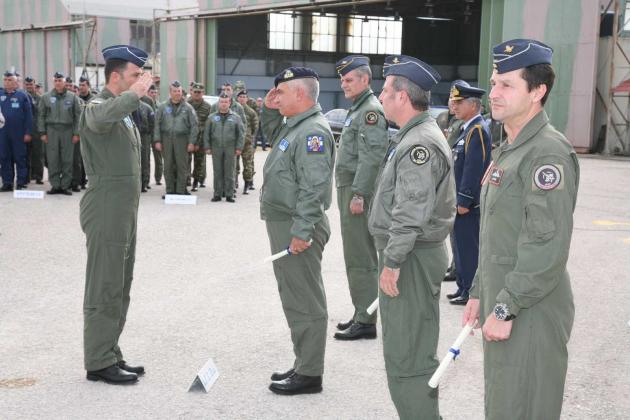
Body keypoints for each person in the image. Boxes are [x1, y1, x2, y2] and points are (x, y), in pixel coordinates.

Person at [462, 39, 579, 420]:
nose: (494, 93)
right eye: (494, 83)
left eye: (507, 85)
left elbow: (546, 244)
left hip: (530, 307)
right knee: (503, 402)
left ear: (537, 92)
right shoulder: (510, 149)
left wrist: (505, 306)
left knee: (523, 407)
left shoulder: (547, 153)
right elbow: (497, 235)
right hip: (506, 297)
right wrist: (479, 291)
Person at [369, 55, 455, 419]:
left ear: (402, 96)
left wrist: (393, 261)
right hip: (411, 254)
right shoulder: (413, 136)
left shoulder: (419, 144)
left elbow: (410, 210)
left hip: (410, 258)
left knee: (409, 355)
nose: (380, 96)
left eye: (386, 90)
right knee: (405, 348)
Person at [79, 44, 153, 384]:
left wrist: (133, 97)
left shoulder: (122, 110)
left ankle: (110, 351)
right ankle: (98, 361)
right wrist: (134, 94)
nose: (142, 81)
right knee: (104, 284)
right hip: (106, 207)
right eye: (135, 75)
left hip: (123, 209)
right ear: (115, 77)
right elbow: (98, 119)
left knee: (121, 283)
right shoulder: (97, 107)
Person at [261, 67, 335, 395]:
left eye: (282, 92)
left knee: (304, 299)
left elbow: (313, 188)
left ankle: (309, 373)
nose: (277, 97)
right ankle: (304, 361)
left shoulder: (312, 132)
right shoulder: (296, 125)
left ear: (301, 95)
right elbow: (273, 138)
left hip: (297, 225)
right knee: (294, 296)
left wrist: (302, 231)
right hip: (288, 223)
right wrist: (269, 109)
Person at [332, 55, 388, 340]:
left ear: (365, 79)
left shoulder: (370, 111)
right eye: (342, 80)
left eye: (349, 79)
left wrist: (359, 194)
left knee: (361, 256)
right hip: (350, 187)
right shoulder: (358, 108)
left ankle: (366, 320)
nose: (344, 84)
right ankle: (360, 312)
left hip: (357, 190)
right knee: (354, 254)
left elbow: (372, 156)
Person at [446, 82, 492, 306]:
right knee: (460, 246)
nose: (454, 106)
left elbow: (474, 168)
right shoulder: (467, 129)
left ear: (473, 106)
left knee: (468, 248)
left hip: (468, 204)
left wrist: (465, 198)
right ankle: (463, 286)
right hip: (458, 200)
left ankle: (470, 290)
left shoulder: (477, 130)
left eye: (459, 102)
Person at [38, 71, 82, 195]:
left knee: (67, 159)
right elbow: (41, 115)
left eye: (60, 81)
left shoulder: (72, 97)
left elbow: (78, 117)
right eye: (56, 81)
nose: (58, 83)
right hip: (51, 130)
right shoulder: (46, 97)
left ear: (64, 82)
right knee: (53, 159)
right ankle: (55, 185)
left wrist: (76, 133)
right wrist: (42, 132)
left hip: (67, 130)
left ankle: (65, 186)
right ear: (53, 82)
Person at [153, 80, 198, 196]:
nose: (177, 93)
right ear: (170, 92)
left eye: (179, 91)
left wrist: (192, 142)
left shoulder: (188, 108)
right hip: (166, 139)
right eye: (175, 91)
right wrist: (157, 140)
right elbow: (157, 124)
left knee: (182, 166)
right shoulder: (162, 107)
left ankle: (180, 190)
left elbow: (194, 126)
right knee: (168, 166)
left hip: (182, 140)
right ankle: (170, 190)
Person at [203, 93, 244, 203]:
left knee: (230, 171)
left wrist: (239, 147)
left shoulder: (236, 117)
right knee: (217, 171)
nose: (223, 104)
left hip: (230, 147)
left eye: (226, 102)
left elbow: (241, 134)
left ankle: (229, 194)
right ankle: (217, 194)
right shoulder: (211, 117)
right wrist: (207, 147)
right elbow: (206, 133)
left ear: (229, 103)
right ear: (218, 103)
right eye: (221, 102)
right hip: (216, 147)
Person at [0, 71, 33, 191]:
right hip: (3, 133)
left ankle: (21, 182)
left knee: (20, 157)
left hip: (19, 133)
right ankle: (7, 182)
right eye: (5, 80)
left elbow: (29, 116)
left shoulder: (22, 96)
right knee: (4, 157)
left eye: (10, 80)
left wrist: (28, 132)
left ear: (15, 82)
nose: (7, 82)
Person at [187, 82, 212, 191]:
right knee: (186, 161)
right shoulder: (186, 104)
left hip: (201, 139)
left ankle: (196, 182)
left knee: (199, 162)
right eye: (195, 92)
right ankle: (186, 180)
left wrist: (206, 142)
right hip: (188, 139)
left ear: (203, 93)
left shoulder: (207, 107)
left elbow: (209, 125)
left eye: (199, 92)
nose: (197, 94)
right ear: (191, 92)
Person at [235, 89, 258, 194]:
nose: (242, 99)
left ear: (247, 99)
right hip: (235, 142)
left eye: (244, 97)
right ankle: (234, 182)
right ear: (237, 98)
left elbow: (255, 127)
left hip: (247, 143)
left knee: (247, 164)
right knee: (234, 164)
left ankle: (247, 184)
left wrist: (249, 136)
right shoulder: (233, 110)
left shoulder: (251, 112)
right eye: (240, 97)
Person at [24, 76, 45, 185]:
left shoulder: (40, 99)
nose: (29, 86)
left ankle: (38, 176)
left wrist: (43, 131)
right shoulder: (22, 97)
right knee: (25, 154)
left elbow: (43, 115)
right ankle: (26, 176)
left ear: (34, 84)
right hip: (25, 130)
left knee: (38, 154)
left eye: (31, 84)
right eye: (27, 84)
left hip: (37, 130)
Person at [133, 99, 155, 192]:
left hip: (144, 136)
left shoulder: (147, 107)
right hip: (131, 135)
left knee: (144, 160)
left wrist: (150, 135)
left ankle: (144, 183)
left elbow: (152, 122)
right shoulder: (127, 106)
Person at [144, 85, 163, 185]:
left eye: (155, 92)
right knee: (146, 157)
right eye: (152, 92)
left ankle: (158, 178)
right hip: (147, 133)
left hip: (157, 133)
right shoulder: (144, 103)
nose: (154, 94)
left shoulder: (160, 106)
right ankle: (146, 180)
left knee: (158, 157)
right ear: (148, 93)